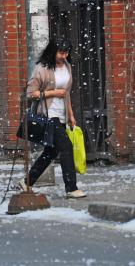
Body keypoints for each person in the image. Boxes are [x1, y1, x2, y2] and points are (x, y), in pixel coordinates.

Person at [18, 38, 86, 198]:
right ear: (53, 51)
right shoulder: (42, 69)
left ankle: (27, 181)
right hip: (48, 115)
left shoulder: (68, 67)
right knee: (66, 147)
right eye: (61, 52)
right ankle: (71, 188)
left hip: (61, 114)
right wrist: (53, 93)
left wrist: (70, 114)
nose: (64, 55)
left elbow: (66, 93)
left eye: (67, 52)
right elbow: (31, 94)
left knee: (51, 152)